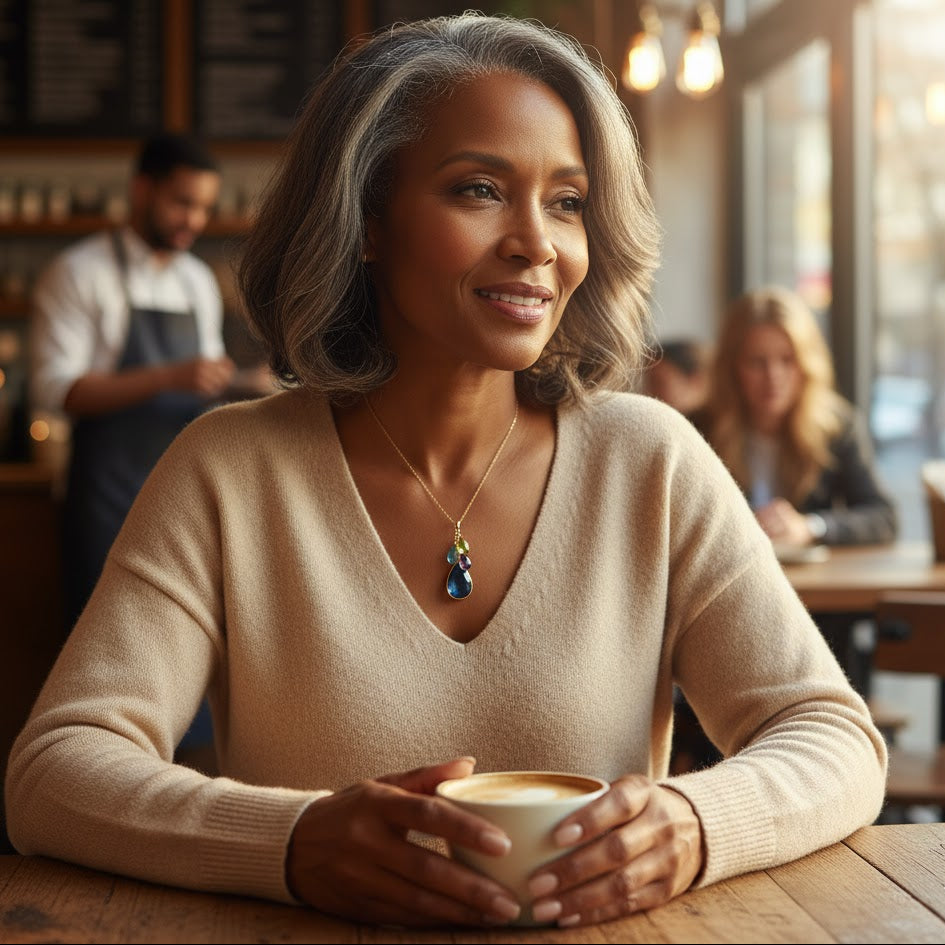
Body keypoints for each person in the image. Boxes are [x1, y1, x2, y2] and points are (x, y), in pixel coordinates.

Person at [7, 14, 886, 931]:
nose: (537, 243)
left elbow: (833, 738)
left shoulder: (649, 459)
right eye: (479, 189)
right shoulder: (229, 468)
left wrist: (694, 823)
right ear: (366, 219)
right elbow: (54, 771)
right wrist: (292, 840)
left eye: (567, 200)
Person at [29, 133, 237, 632]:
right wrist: (169, 376)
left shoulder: (197, 281)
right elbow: (57, 391)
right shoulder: (79, 273)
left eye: (204, 208)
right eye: (182, 203)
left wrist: (245, 381)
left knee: (187, 639)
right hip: (105, 496)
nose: (194, 221)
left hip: (182, 498)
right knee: (105, 639)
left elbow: (205, 385)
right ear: (142, 190)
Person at [700, 286, 898, 548]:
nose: (773, 376)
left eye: (787, 360)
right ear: (732, 368)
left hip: (812, 585)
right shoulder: (699, 428)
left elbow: (884, 518)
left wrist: (811, 527)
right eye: (757, 362)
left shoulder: (836, 427)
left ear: (807, 364)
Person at [643, 338, 711, 419]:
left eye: (658, 383)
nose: (649, 393)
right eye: (648, 383)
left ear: (696, 381)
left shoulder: (721, 428)